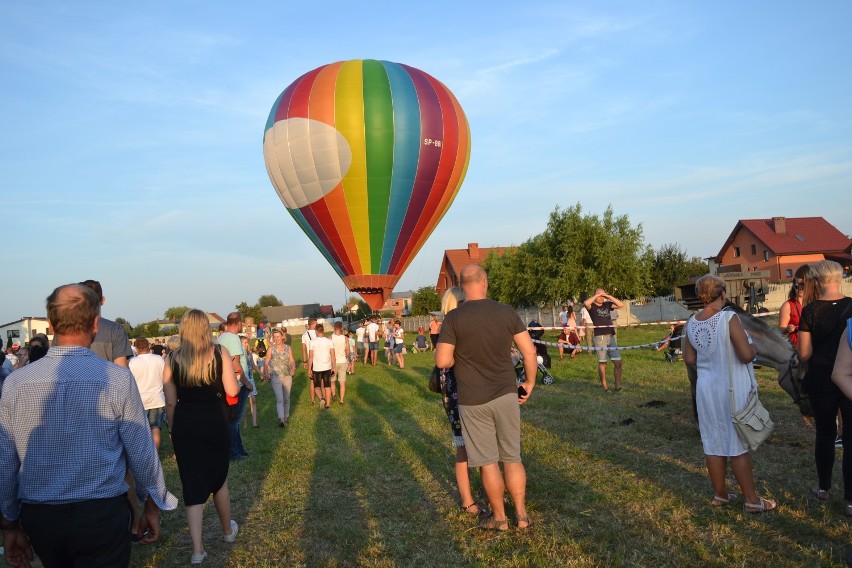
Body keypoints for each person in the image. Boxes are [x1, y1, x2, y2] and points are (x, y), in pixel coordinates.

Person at [0, 284, 177, 568]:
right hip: (102, 514)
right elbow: (142, 453)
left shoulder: (16, 384)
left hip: (41, 516)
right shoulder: (117, 379)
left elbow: (6, 462)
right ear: (95, 323)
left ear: (51, 323)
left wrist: (9, 524)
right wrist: (152, 504)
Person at [435, 265, 537, 531]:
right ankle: (522, 516)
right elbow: (528, 351)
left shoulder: (454, 319)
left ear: (461, 284)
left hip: (473, 399)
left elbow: (443, 360)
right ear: (485, 282)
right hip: (506, 393)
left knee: (488, 462)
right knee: (512, 457)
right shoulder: (506, 311)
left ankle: (500, 518)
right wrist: (529, 383)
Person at [682, 274, 777, 513]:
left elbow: (689, 359)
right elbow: (746, 355)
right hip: (731, 389)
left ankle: (721, 495)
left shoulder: (691, 322)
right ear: (722, 294)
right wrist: (755, 346)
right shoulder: (729, 318)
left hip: (706, 390)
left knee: (712, 443)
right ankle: (752, 501)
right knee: (737, 445)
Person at [163, 309, 241, 564]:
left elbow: (171, 403)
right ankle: (227, 531)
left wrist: (173, 431)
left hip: (186, 423)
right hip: (215, 422)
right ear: (206, 328)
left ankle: (197, 550)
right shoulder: (220, 353)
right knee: (219, 478)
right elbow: (232, 389)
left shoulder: (172, 359)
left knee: (192, 483)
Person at [797, 260, 852, 513]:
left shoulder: (809, 311)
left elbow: (805, 353)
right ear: (839, 278)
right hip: (850, 376)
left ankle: (824, 487)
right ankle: (850, 499)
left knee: (826, 433)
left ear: (816, 281)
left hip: (821, 377)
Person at [435, 287, 488, 518]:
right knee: (470, 447)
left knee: (465, 448)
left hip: (455, 391)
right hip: (462, 391)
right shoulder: (455, 326)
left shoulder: (450, 325)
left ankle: (470, 499)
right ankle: (469, 500)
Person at [217, 313, 253, 461]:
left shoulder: (221, 338)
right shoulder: (233, 338)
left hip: (225, 382)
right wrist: (247, 383)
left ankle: (239, 449)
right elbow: (236, 364)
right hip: (236, 383)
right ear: (238, 323)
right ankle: (234, 452)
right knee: (235, 420)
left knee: (232, 419)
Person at [77, 280, 134, 367]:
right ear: (103, 300)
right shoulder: (116, 330)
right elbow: (121, 369)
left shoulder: (65, 330)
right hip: (108, 379)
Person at [583, 289, 625, 392]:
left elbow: (621, 305)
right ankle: (605, 387)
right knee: (603, 363)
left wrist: (608, 296)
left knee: (618, 362)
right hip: (600, 337)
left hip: (611, 336)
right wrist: (597, 295)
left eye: (603, 295)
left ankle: (617, 385)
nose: (601, 297)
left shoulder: (607, 304)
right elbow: (586, 303)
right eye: (599, 295)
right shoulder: (591, 306)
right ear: (594, 296)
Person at [129, 337, 167, 449]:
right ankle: (155, 453)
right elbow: (164, 377)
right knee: (155, 427)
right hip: (157, 398)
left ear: (136, 349)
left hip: (140, 399)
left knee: (141, 429)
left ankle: (143, 452)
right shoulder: (158, 359)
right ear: (149, 347)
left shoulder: (133, 362)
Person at [264, 328, 295, 427]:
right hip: (275, 376)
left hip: (287, 375)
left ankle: (286, 417)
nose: (276, 339)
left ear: (282, 337)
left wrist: (293, 368)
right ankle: (281, 419)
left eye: (278, 336)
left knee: (286, 398)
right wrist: (266, 373)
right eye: (274, 337)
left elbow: (292, 360)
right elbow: (266, 362)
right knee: (279, 398)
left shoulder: (288, 348)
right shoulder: (271, 349)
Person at [780, 265, 809, 348]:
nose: (798, 288)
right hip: (796, 348)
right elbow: (781, 330)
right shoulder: (787, 305)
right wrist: (787, 329)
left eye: (802, 285)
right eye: (796, 286)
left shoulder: (815, 302)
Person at [308, 324, 334, 409]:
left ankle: (322, 398)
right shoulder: (329, 341)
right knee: (327, 386)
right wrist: (333, 367)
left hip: (317, 368)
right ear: (323, 331)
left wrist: (309, 369)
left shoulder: (312, 342)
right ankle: (328, 405)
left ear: (316, 331)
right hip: (327, 367)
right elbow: (333, 356)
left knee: (316, 387)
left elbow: (311, 357)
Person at [241, 336, 261, 428]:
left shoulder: (249, 354)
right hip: (242, 379)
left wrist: (261, 373)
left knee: (253, 400)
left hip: (250, 378)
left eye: (247, 342)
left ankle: (254, 423)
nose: (247, 344)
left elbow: (253, 365)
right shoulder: (239, 354)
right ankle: (245, 423)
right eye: (245, 342)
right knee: (244, 402)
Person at [331, 322, 350, 404]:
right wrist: (348, 360)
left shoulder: (330, 338)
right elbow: (348, 351)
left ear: (334, 328)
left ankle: (334, 394)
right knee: (342, 382)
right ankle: (341, 400)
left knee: (332, 381)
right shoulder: (345, 338)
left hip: (333, 362)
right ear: (341, 328)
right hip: (343, 361)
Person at [301, 319, 318, 403]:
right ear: (314, 324)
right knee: (321, 379)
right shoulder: (317, 332)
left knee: (312, 380)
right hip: (319, 358)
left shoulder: (304, 335)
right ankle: (323, 397)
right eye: (316, 323)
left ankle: (312, 400)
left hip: (309, 358)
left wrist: (305, 361)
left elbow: (303, 349)